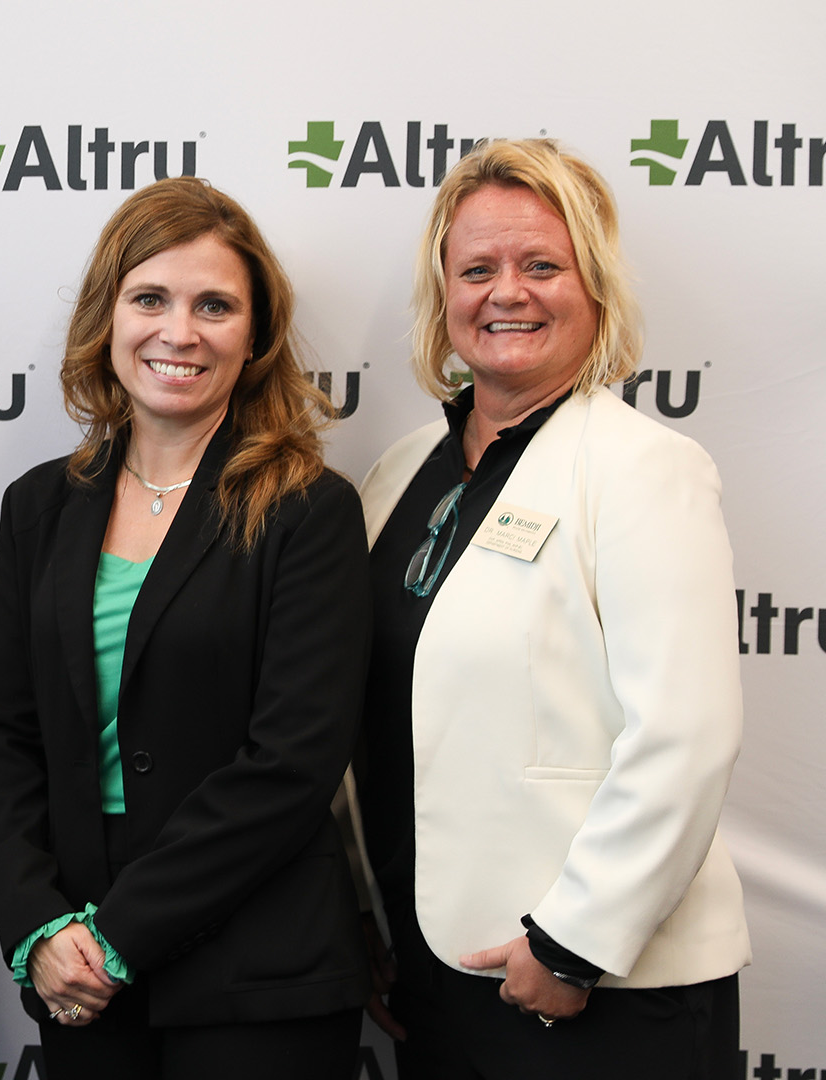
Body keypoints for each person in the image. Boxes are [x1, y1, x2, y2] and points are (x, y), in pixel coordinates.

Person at [0, 177, 372, 1079]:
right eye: (150, 298)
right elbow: (2, 735)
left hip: (258, 976)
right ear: (108, 317)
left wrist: (118, 937)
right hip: (74, 970)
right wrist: (39, 926)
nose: (178, 332)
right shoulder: (39, 508)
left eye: (214, 305)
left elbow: (292, 763)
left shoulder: (308, 511)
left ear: (255, 335)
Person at [354, 138, 750, 1078]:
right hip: (437, 973)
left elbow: (684, 735)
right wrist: (368, 922)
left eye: (542, 265)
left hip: (594, 987)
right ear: (443, 295)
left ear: (596, 288)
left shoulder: (646, 470)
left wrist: (572, 943)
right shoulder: (397, 477)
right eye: (477, 268)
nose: (508, 292)